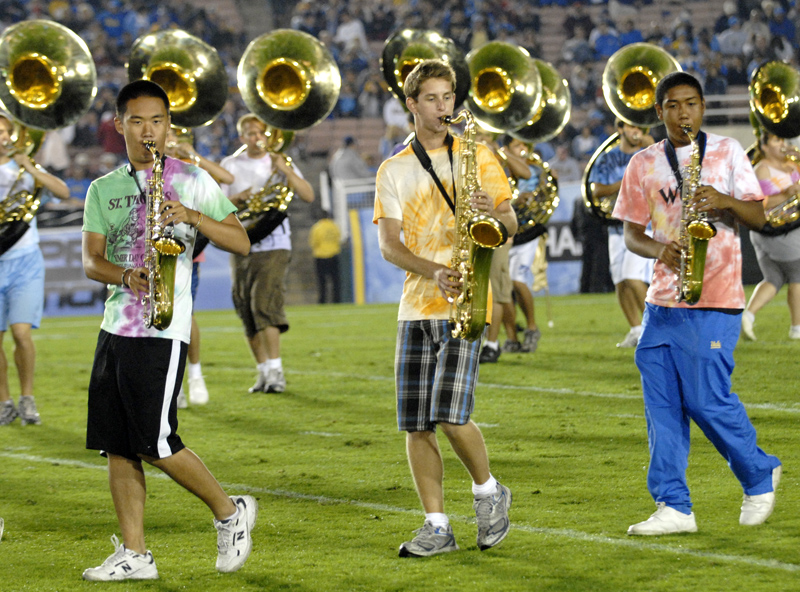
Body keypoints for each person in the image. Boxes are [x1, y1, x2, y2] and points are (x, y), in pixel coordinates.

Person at [80, 80, 256, 580]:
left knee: (156, 443)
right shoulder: (103, 188)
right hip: (115, 327)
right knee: (116, 444)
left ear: (169, 126)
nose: (147, 130)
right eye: (136, 121)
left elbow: (241, 242)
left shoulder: (192, 179)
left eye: (157, 121)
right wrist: (124, 275)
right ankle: (135, 554)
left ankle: (229, 512)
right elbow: (92, 262)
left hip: (162, 328)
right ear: (119, 125)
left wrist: (192, 216)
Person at [614, 71, 782, 535]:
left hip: (716, 298)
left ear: (702, 107)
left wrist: (724, 198)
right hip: (662, 303)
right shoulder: (643, 163)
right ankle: (674, 506)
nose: (683, 112)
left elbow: (760, 216)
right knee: (662, 408)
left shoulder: (727, 151)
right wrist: (659, 249)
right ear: (660, 111)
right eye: (673, 105)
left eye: (691, 103)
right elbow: (631, 233)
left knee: (706, 400)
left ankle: (758, 470)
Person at [374, 59, 517, 557]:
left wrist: (490, 212)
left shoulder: (477, 154)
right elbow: (389, 247)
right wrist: (431, 269)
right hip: (417, 307)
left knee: (451, 415)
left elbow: (512, 223)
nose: (443, 107)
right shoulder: (392, 168)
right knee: (416, 424)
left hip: (470, 299)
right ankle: (436, 526)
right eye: (431, 98)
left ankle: (487, 491)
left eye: (448, 97)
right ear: (411, 104)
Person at [221, 114, 315, 394]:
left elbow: (308, 195)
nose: (256, 138)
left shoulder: (281, 160)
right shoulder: (230, 165)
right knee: (245, 309)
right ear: (242, 137)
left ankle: (277, 371)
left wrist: (285, 170)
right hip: (241, 243)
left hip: (275, 243)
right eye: (250, 134)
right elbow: (215, 206)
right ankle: (263, 371)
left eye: (260, 133)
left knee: (264, 304)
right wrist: (237, 200)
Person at [0, 112, 71, 426]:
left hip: (25, 260)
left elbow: (63, 192)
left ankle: (27, 397)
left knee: (21, 332)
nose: (2, 137)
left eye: (5, 131)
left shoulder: (24, 167)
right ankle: (5, 401)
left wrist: (30, 167)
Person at [164, 127, 235, 407]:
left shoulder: (192, 171)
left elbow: (227, 178)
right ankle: (175, 382)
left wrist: (193, 156)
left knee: (185, 314)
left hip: (188, 254)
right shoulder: (149, 171)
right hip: (155, 255)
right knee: (162, 321)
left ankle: (194, 374)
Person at [589, 119, 655, 348]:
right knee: (620, 282)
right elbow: (597, 190)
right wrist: (626, 181)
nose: (636, 132)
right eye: (631, 127)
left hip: (643, 226)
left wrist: (653, 146)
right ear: (620, 129)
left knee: (633, 277)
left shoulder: (650, 154)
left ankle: (656, 327)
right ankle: (636, 329)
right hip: (616, 227)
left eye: (639, 127)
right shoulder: (608, 157)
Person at [741, 131, 800, 341]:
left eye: (782, 139)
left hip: (784, 232)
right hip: (774, 232)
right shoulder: (762, 169)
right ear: (764, 146)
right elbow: (759, 203)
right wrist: (786, 193)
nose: (782, 144)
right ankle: (797, 329)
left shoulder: (791, 164)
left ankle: (747, 316)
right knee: (798, 275)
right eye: (776, 140)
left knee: (773, 278)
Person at [308, 210, 342, 304]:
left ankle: (322, 300)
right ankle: (337, 300)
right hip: (334, 255)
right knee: (335, 281)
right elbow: (338, 238)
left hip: (321, 256)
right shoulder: (334, 226)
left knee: (322, 282)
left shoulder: (317, 227)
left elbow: (313, 243)